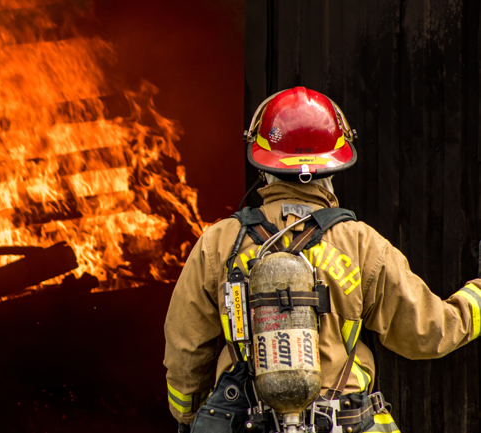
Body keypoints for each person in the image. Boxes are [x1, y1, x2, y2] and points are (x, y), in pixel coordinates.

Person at [164, 87, 481, 433]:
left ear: (262, 165)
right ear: (333, 168)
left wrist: (191, 415)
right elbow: (430, 331)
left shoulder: (220, 243)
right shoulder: (360, 244)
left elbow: (185, 350)